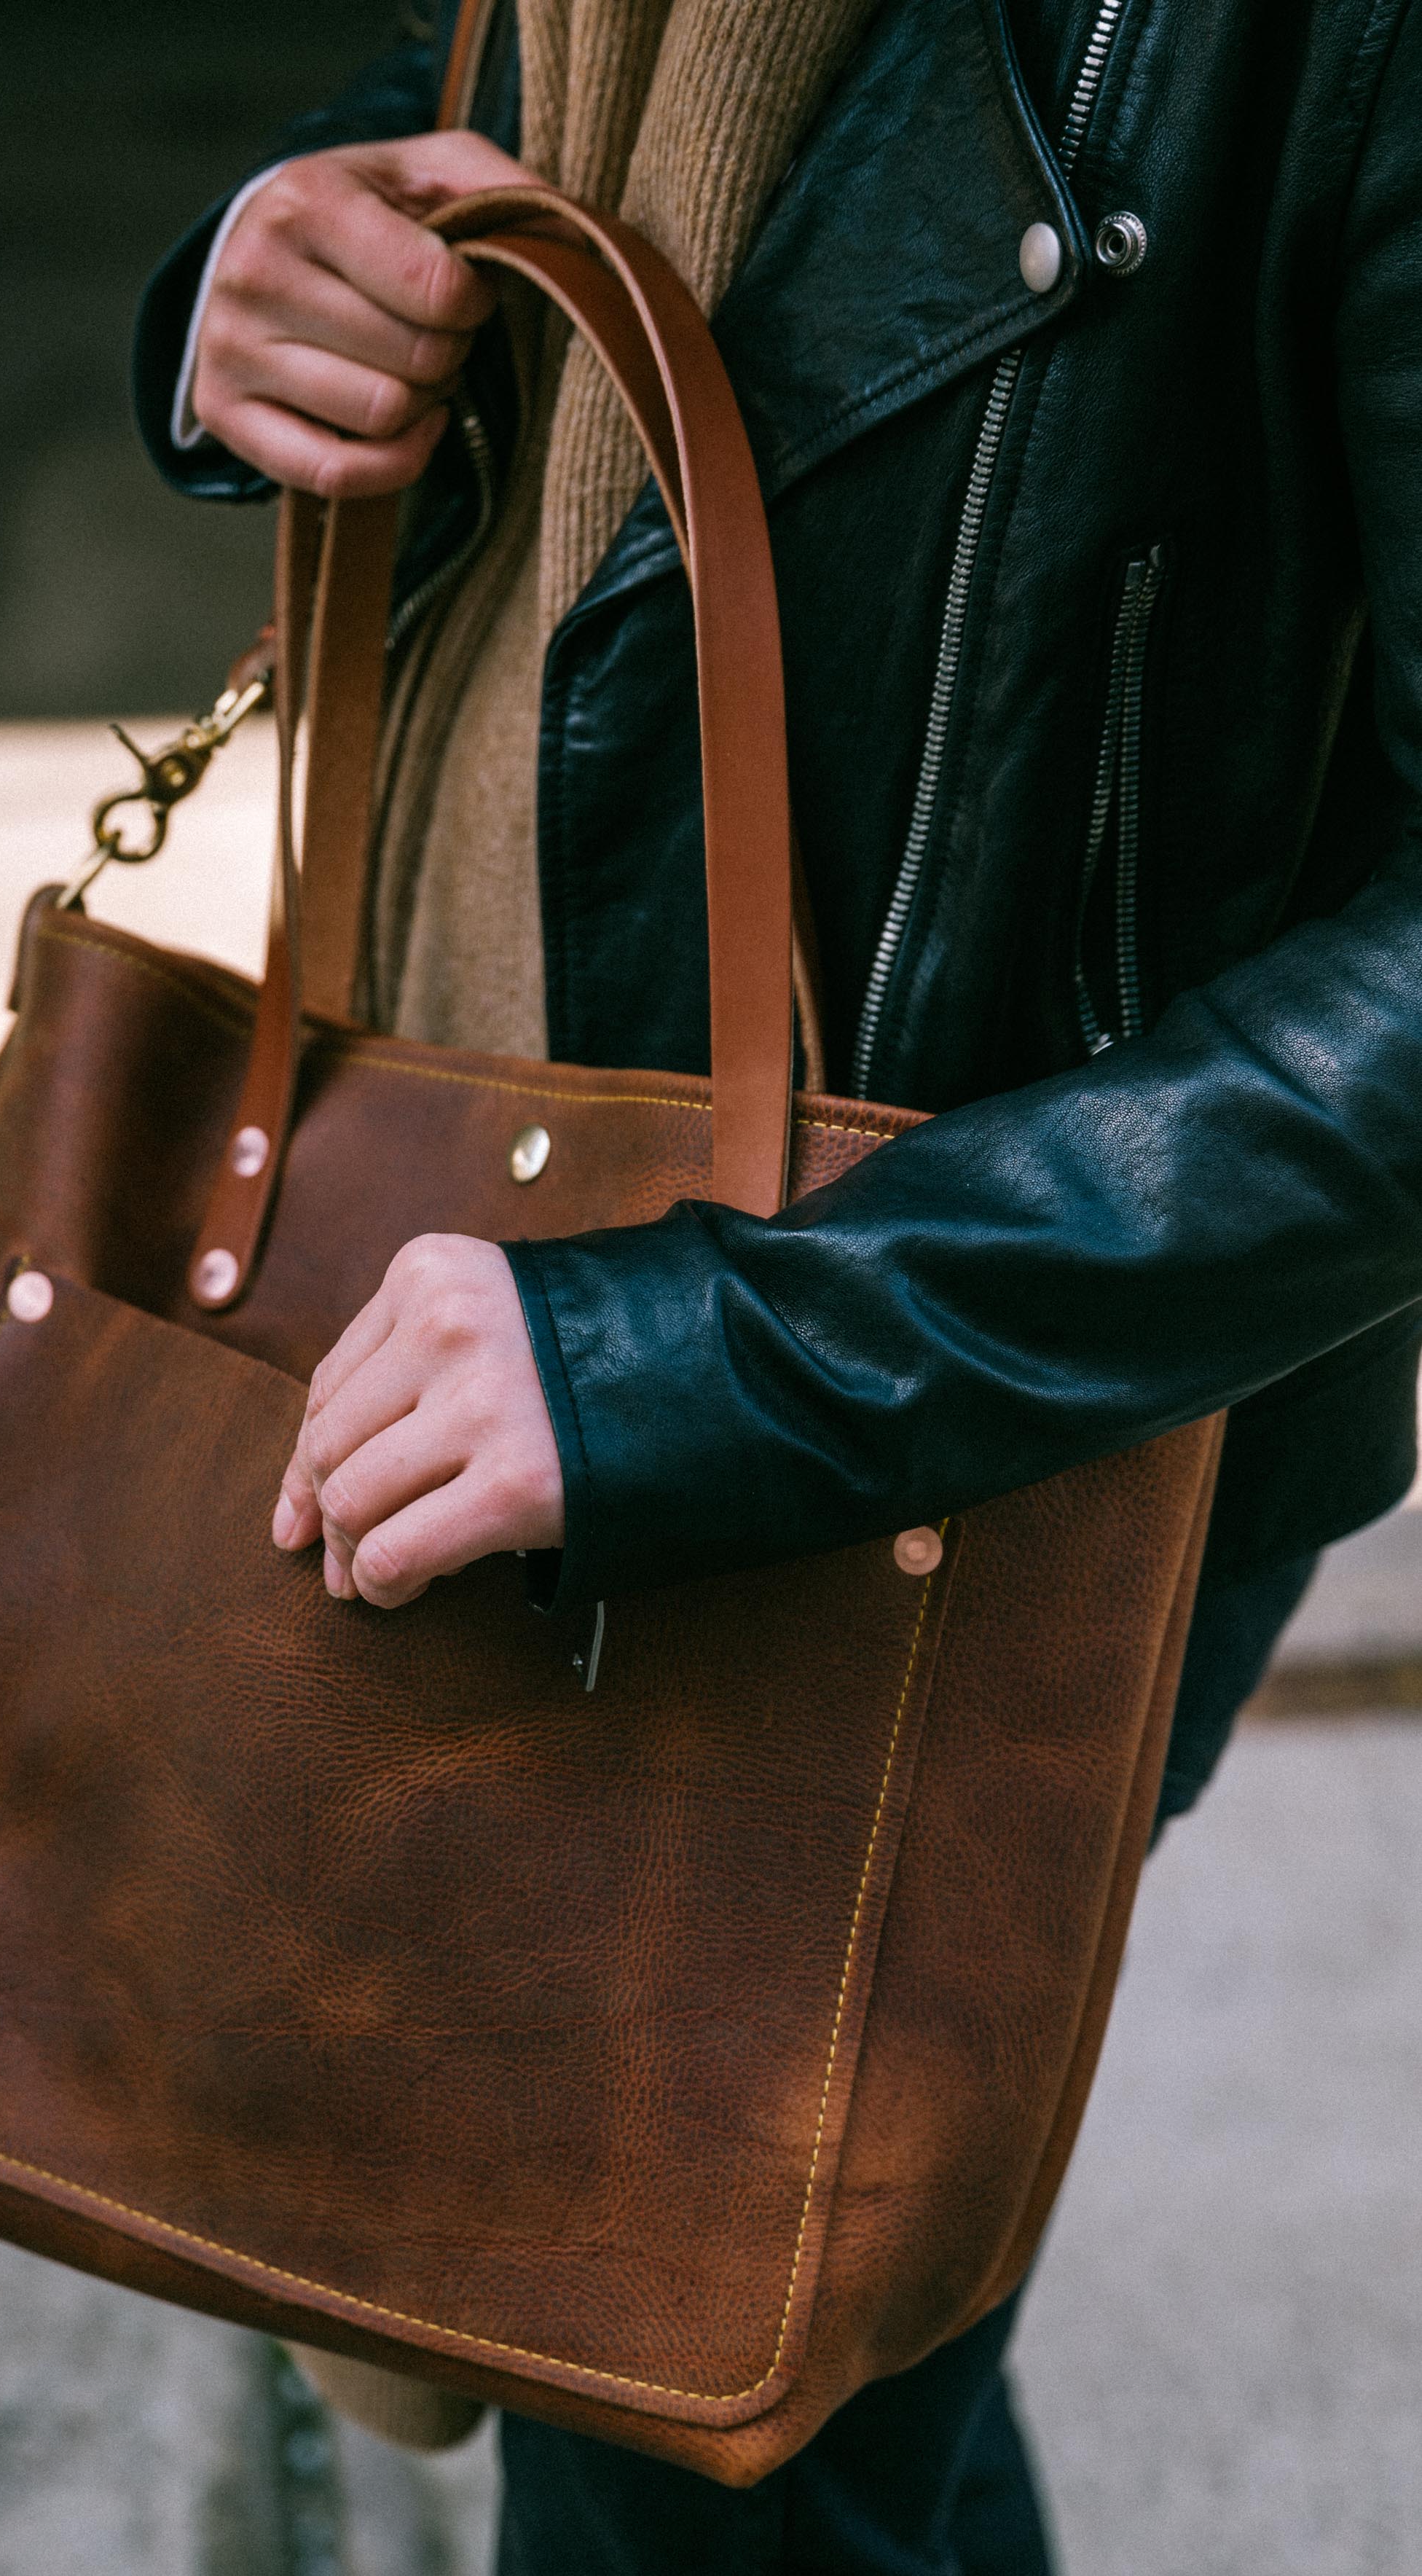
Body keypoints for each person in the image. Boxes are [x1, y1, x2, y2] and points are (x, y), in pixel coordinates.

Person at [131, 0, 1422, 2565]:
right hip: (483, 1214)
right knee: (783, 2403)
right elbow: (484, 78)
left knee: (693, 2409)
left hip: (960, 1412)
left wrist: (711, 1359)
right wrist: (271, 272)